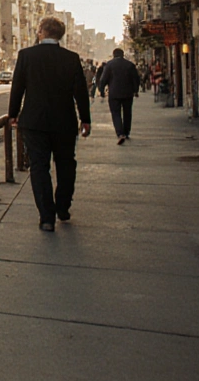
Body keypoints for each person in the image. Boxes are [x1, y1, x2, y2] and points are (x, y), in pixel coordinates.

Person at [8, 16, 91, 232]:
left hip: (34, 121)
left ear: (42, 32)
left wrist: (13, 114)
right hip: (64, 121)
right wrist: (86, 119)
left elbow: (17, 87)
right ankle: (63, 206)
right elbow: (80, 91)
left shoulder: (26, 55)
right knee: (66, 164)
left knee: (39, 167)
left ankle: (47, 217)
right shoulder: (71, 58)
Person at [97, 48, 142, 145]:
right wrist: (136, 90)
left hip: (114, 93)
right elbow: (136, 79)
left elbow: (103, 79)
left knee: (115, 113)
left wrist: (101, 90)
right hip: (127, 93)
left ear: (113, 55)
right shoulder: (130, 65)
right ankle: (126, 132)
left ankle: (120, 133)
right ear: (123, 54)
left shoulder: (109, 65)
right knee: (127, 113)